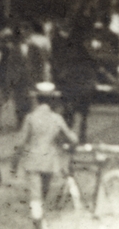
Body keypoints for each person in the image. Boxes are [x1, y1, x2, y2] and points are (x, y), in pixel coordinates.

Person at [11, 81, 81, 226]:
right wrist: (72, 143)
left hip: (33, 160)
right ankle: (40, 219)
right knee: (43, 192)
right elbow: (72, 138)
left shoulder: (30, 118)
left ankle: (38, 221)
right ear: (53, 100)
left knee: (35, 193)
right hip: (49, 161)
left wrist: (14, 163)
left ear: (36, 99)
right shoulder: (57, 119)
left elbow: (20, 143)